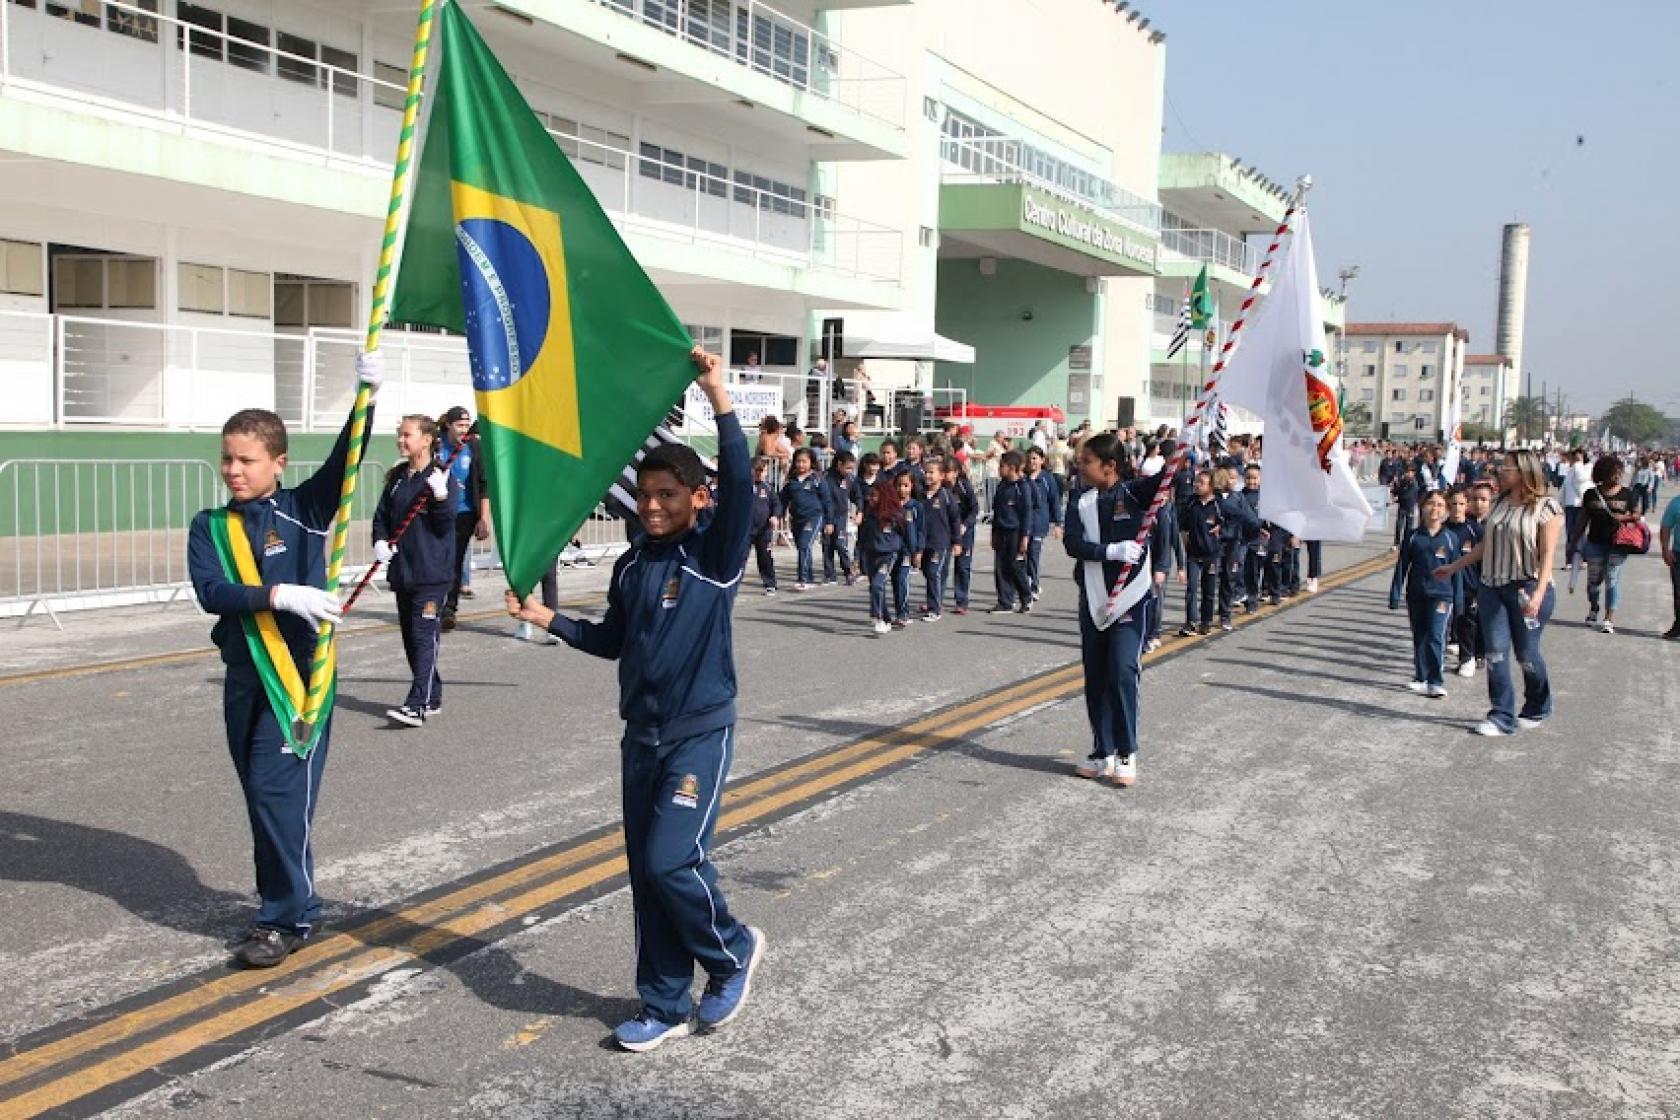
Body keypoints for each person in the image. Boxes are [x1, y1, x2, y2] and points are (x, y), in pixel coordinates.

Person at [505, 350, 764, 1052]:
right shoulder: (630, 565)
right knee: (645, 878)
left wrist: (718, 395)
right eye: (644, 496)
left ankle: (732, 950)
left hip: (698, 733)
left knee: (671, 862)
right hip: (641, 738)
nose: (652, 506)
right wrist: (547, 620)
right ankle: (662, 1002)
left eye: (668, 496)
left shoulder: (712, 557)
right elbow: (614, 641)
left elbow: (740, 480)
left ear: (697, 499)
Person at [186, 351, 382, 968]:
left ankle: (288, 916)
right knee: (263, 801)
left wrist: (365, 396)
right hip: (244, 679)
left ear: (277, 462)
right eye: (227, 458)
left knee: (277, 796)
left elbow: (347, 455)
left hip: (297, 682)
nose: (233, 470)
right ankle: (282, 898)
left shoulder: (305, 510)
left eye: (246, 460)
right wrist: (279, 594)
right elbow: (211, 593)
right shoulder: (209, 525)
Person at [1063, 431, 1169, 787]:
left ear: (1109, 466)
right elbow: (1072, 543)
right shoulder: (1080, 499)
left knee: (1123, 670)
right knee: (1096, 674)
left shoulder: (1134, 493)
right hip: (1094, 597)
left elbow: (1167, 480)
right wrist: (1109, 551)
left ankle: (1127, 751)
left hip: (1130, 598)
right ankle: (1101, 750)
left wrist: (1182, 455)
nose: (1080, 467)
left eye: (1087, 462)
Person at [1433, 449, 1562, 737]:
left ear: (1524, 471)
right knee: (1495, 653)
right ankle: (1501, 715)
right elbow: (1486, 546)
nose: (1501, 472)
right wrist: (1454, 566)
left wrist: (1539, 593)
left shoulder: (1546, 507)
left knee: (1527, 654)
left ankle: (1538, 703)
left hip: (1527, 588)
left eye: (1508, 468)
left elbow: (1548, 554)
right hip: (1492, 588)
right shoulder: (1500, 503)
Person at [373, 414, 459, 727]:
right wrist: (380, 542)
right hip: (403, 573)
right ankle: (432, 694)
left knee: (424, 637)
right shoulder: (397, 478)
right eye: (400, 434)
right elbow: (381, 516)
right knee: (411, 640)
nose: (401, 440)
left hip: (431, 574)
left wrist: (440, 498)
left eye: (407, 435)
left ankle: (416, 705)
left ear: (426, 439)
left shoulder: (442, 477)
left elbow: (445, 524)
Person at [1389, 489, 1462, 699]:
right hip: (1417, 595)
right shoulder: (1412, 537)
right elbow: (1402, 567)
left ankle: (1435, 681)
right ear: (1422, 507)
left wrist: (1458, 600)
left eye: (1440, 505)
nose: (1435, 509)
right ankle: (1420, 677)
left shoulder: (1451, 538)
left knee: (1436, 636)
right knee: (1420, 636)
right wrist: (1395, 594)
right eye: (1431, 504)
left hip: (1442, 596)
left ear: (1446, 510)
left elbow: (1456, 569)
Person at [1575, 455, 1639, 634]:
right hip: (1595, 542)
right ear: (1603, 473)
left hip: (1619, 544)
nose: (1618, 476)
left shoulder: (1627, 493)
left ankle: (1609, 618)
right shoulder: (1591, 494)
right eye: (1614, 473)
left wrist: (1625, 517)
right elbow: (1583, 518)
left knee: (1612, 579)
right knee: (1593, 583)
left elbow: (1636, 513)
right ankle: (1594, 607)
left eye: (1620, 472)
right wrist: (1574, 541)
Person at [439, 406, 488, 632]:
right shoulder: (436, 445)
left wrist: (483, 518)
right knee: (437, 559)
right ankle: (433, 604)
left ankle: (449, 608)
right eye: (459, 425)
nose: (463, 430)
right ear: (448, 425)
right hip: (437, 513)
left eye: (466, 425)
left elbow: (483, 484)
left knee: (454, 560)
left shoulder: (474, 447)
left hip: (465, 513)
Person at [858, 468, 909, 636]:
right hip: (871, 555)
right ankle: (886, 618)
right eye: (870, 495)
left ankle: (877, 616)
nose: (870, 498)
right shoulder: (869, 515)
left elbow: (905, 535)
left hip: (888, 555)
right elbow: (863, 538)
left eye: (874, 496)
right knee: (876, 588)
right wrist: (857, 558)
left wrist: (910, 553)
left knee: (878, 584)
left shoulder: (895, 516)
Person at [987, 450, 1038, 613]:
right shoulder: (1002, 486)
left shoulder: (1022, 487)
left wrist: (1025, 537)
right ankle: (1005, 601)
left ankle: (1026, 596)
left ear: (1012, 468)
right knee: (1000, 568)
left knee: (1016, 566)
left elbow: (1027, 513)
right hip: (1001, 531)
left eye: (1002, 466)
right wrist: (994, 533)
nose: (999, 469)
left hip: (1016, 533)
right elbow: (997, 511)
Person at [1447, 485, 1486, 678]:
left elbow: (1483, 560)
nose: (1457, 508)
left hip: (1470, 584)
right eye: (1453, 504)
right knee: (1447, 623)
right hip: (1446, 585)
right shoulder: (1443, 530)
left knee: (1467, 621)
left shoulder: (1475, 530)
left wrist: (1482, 586)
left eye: (1461, 504)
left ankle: (1468, 657)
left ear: (1467, 505)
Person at [779, 446, 831, 592]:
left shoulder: (817, 479)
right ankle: (810, 577)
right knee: (802, 548)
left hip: (814, 517)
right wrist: (778, 514)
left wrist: (829, 521)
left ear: (811, 463)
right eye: (798, 462)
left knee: (804, 545)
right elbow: (782, 500)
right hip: (797, 519)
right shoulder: (791, 481)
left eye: (804, 462)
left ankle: (803, 579)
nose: (801, 465)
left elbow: (827, 501)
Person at [1178, 469, 1223, 636]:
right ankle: (1190, 621)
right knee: (1191, 588)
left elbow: (1232, 522)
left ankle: (1206, 621)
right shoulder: (1190, 503)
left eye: (1201, 482)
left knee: (1208, 590)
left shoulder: (1218, 504)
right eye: (1196, 482)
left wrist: (1222, 528)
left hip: (1211, 554)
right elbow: (1182, 524)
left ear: (1211, 486)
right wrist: (1184, 538)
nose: (1197, 485)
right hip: (1193, 554)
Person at [919, 459, 963, 621]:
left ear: (942, 476)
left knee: (933, 572)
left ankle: (934, 608)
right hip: (924, 542)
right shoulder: (921, 495)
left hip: (940, 543)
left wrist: (957, 541)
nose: (928, 475)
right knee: (926, 571)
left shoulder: (946, 496)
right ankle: (934, 601)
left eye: (932, 472)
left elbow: (955, 519)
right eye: (926, 472)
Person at [1023, 446, 1064, 600]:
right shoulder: (1023, 478)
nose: (1031, 461)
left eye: (1034, 458)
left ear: (1042, 460)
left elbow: (1054, 501)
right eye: (1029, 458)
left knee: (1034, 554)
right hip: (1024, 524)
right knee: (1023, 555)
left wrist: (1058, 523)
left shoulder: (1047, 479)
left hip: (1040, 523)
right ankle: (1026, 583)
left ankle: (1033, 585)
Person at [820, 449, 862, 585]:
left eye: (852, 468)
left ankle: (848, 572)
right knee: (827, 545)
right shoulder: (825, 477)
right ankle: (829, 574)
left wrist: (859, 510)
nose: (850, 471)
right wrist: (828, 521)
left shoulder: (849, 479)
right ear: (839, 464)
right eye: (847, 467)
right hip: (826, 516)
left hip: (841, 516)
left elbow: (857, 495)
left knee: (841, 544)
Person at [949, 452, 980, 616]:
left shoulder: (964, 486)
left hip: (964, 531)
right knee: (937, 566)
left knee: (962, 565)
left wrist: (965, 525)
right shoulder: (942, 488)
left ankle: (962, 601)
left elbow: (975, 509)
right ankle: (934, 600)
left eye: (948, 471)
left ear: (955, 472)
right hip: (946, 532)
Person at [748, 457, 781, 596]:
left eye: (764, 471)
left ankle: (770, 583)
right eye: (758, 471)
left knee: (765, 557)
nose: (761, 474)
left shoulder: (768, 488)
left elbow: (777, 504)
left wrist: (775, 516)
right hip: (746, 529)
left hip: (763, 529)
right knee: (739, 557)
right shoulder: (743, 487)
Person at [1557, 449, 1592, 568]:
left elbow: (1581, 479)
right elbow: (1564, 487)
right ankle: (1570, 560)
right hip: (1570, 505)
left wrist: (1578, 463)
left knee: (1580, 533)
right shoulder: (1571, 470)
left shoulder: (1586, 468)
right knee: (1570, 533)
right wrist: (1558, 503)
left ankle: (1583, 559)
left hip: (1581, 505)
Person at [1661, 487, 1680, 640]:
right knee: (1679, 593)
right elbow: (1666, 527)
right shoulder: (1676, 503)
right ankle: (1678, 625)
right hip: (1678, 554)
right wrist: (1665, 549)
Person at [1390, 464, 1421, 550]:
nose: (1408, 473)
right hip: (1402, 506)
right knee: (1399, 525)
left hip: (1410, 507)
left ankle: (1406, 543)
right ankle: (1396, 543)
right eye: (1407, 472)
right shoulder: (1403, 481)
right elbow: (1398, 491)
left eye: (1410, 472)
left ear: (1413, 473)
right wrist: (1394, 487)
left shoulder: (1414, 483)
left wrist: (1397, 498)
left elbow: (1407, 495)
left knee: (1408, 527)